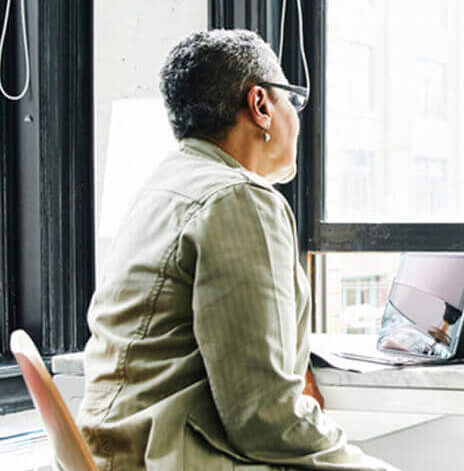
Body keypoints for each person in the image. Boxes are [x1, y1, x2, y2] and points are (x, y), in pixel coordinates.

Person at [77, 29, 396, 470]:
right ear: (261, 105)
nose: (296, 117)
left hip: (123, 450)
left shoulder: (163, 186)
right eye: (292, 100)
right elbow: (265, 420)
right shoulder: (237, 199)